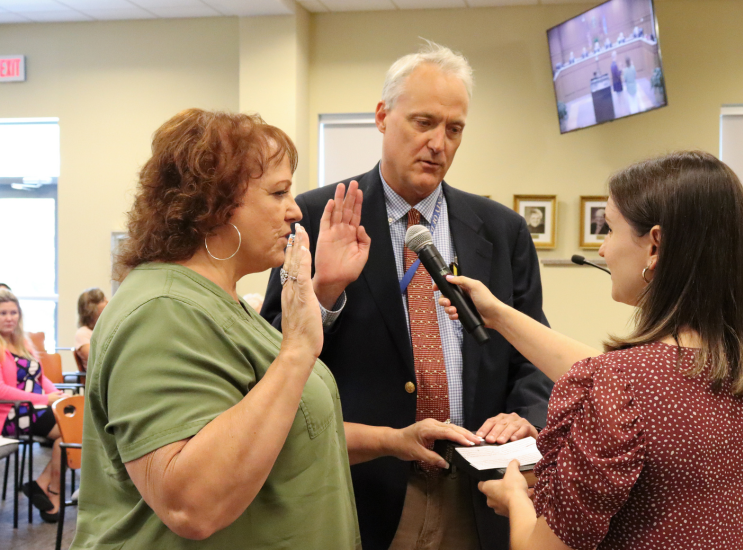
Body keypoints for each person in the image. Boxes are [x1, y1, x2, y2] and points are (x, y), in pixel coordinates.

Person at [261, 41, 554, 550]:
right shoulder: (314, 217)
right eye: (424, 123)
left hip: (478, 492)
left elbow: (535, 351)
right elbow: (270, 353)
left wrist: (526, 414)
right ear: (382, 117)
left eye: (454, 128)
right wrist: (325, 290)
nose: (439, 143)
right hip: (366, 490)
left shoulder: (501, 230)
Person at [439, 151, 743, 550]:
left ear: (654, 246)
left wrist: (517, 498)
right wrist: (500, 315)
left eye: (608, 229)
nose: (603, 250)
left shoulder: (623, 385)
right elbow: (644, 384)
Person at [71, 109, 364, 549]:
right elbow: (192, 503)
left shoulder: (216, 302)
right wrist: (298, 351)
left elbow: (282, 429)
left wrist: (397, 440)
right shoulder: (162, 311)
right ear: (215, 205)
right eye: (279, 191)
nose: (295, 209)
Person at [0, 289, 65, 523]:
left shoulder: (22, 341)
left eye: (13, 312)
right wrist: (44, 400)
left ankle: (44, 484)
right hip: (11, 414)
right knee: (73, 430)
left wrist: (54, 393)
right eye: (3, 313)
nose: (9, 318)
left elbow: (39, 377)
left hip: (35, 408)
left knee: (73, 428)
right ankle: (50, 489)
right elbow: (1, 391)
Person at [74, 287, 107, 370]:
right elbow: (97, 359)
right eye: (103, 300)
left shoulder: (105, 329)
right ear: (91, 308)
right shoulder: (83, 333)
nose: (108, 302)